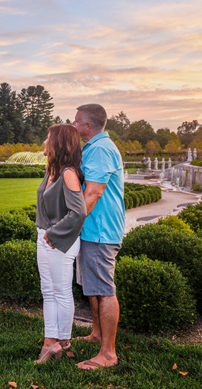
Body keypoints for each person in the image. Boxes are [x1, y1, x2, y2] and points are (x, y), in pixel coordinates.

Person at [71, 104, 125, 370]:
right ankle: (96, 334)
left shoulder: (101, 150)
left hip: (101, 231)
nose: (73, 123)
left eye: (76, 121)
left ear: (88, 126)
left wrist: (69, 225)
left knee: (104, 291)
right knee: (92, 287)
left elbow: (93, 193)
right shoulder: (95, 147)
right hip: (92, 230)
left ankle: (108, 354)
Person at [34, 124, 87, 363]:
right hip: (45, 237)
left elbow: (78, 212)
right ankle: (49, 342)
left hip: (59, 242)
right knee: (48, 292)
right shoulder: (51, 170)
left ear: (58, 143)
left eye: (48, 138)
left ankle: (62, 340)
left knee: (61, 292)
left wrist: (54, 235)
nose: (45, 142)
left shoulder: (68, 173)